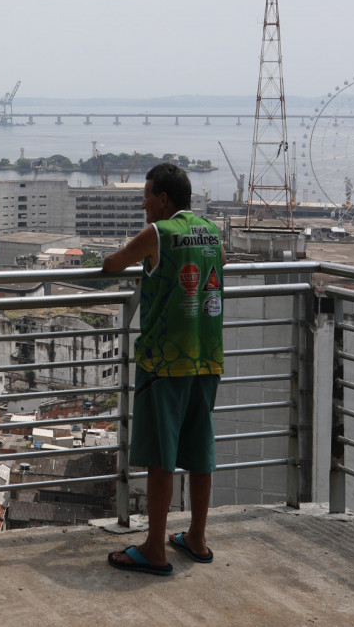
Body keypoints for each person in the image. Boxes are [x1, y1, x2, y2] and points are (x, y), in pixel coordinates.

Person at [103, 163, 224, 576]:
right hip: (206, 356)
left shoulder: (159, 233)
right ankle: (197, 537)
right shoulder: (210, 232)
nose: (143, 203)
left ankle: (155, 548)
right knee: (200, 451)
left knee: (162, 460)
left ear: (164, 199)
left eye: (147, 194)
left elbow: (112, 263)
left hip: (164, 361)